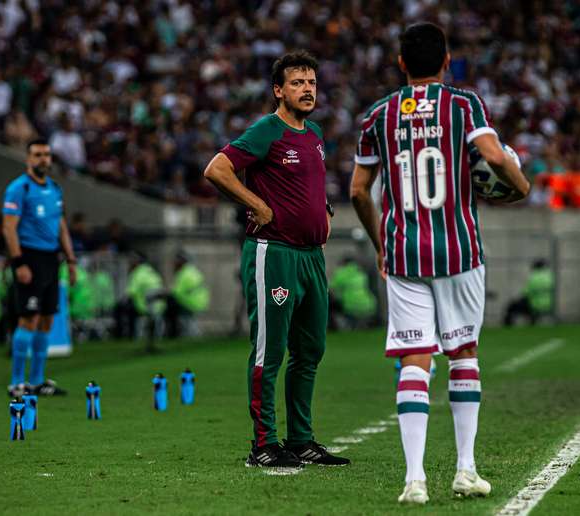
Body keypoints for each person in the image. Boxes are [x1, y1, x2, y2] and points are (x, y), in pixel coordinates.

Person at [350, 23, 530, 504]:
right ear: (447, 59)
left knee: (415, 358)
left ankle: (414, 479)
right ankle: (465, 470)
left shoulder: (377, 115)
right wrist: (522, 185)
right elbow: (491, 154)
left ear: (402, 63)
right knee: (463, 353)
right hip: (458, 251)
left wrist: (380, 244)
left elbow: (357, 191)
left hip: (404, 252)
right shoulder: (464, 104)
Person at [203, 51, 348, 470]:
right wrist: (257, 205)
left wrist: (324, 212)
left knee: (311, 350)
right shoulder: (267, 129)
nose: (307, 90)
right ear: (278, 91)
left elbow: (309, 186)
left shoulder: (315, 133)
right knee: (270, 351)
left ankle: (300, 439)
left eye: (312, 83)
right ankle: (263, 444)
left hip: (311, 258)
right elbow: (217, 169)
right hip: (274, 253)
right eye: (298, 83)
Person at [2, 138, 77, 397]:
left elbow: (61, 225)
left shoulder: (55, 189)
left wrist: (71, 259)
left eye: (46, 155)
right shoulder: (18, 189)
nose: (43, 159)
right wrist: (19, 262)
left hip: (51, 259)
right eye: (37, 155)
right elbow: (9, 227)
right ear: (28, 159)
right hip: (29, 258)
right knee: (28, 319)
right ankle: (16, 383)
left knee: (46, 319)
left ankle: (37, 381)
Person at [165, 250, 209, 338]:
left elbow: (176, 293)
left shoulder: (184, 273)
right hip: (199, 302)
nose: (173, 264)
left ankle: (172, 334)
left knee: (170, 305)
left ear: (182, 262)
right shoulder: (191, 271)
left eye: (176, 261)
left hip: (192, 303)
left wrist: (161, 294)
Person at [504, 260, 555, 326]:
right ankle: (532, 321)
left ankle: (508, 326)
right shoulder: (550, 276)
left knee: (512, 306)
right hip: (550, 304)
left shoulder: (534, 276)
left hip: (535, 304)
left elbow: (526, 293)